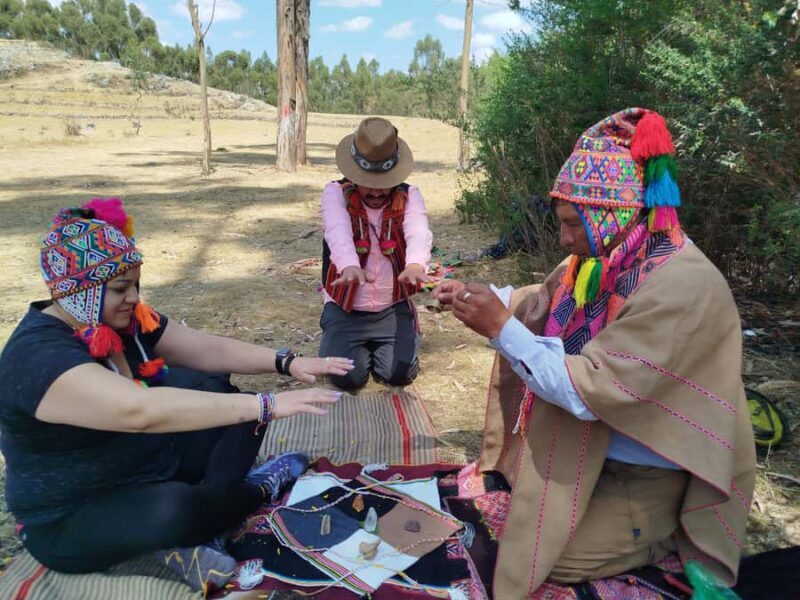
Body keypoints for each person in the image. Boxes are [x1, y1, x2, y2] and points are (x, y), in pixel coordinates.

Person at [433, 108, 756, 597]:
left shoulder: (683, 287)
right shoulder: (608, 256)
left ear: (614, 214)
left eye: (571, 225)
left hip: (646, 473)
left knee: (547, 557)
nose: (563, 240)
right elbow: (540, 305)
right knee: (520, 533)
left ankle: (666, 533)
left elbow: (590, 393)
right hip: (596, 451)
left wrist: (501, 328)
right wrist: (482, 298)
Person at [0, 198, 353, 593]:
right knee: (176, 507)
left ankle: (210, 518)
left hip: (147, 464)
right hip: (73, 515)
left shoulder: (122, 319)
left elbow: (204, 349)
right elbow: (138, 410)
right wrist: (268, 403)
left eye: (135, 284)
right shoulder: (37, 356)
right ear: (76, 292)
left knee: (225, 403)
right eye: (120, 288)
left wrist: (286, 363)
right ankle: (249, 494)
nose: (134, 298)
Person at [319, 117, 433, 390]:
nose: (375, 190)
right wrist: (348, 265)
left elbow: (418, 230)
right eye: (367, 181)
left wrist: (416, 264)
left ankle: (395, 339)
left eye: (382, 181)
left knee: (399, 374)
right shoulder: (336, 193)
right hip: (346, 307)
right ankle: (337, 332)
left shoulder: (410, 195)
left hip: (391, 306)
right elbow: (337, 230)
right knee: (347, 378)